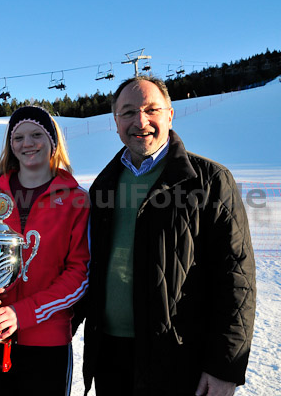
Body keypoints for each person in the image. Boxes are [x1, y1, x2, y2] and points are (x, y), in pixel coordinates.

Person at [73, 76, 256, 396]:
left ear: (170, 115)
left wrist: (224, 366)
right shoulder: (104, 184)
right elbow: (90, 269)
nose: (140, 121)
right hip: (111, 357)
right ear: (115, 123)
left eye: (150, 109)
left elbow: (236, 279)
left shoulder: (209, 180)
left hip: (178, 358)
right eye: (127, 112)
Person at [0, 106, 90, 396]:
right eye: (18, 137)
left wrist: (22, 314)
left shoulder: (75, 199)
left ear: (53, 143)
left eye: (36, 135)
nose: (27, 144)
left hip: (46, 341)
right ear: (10, 145)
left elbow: (79, 274)